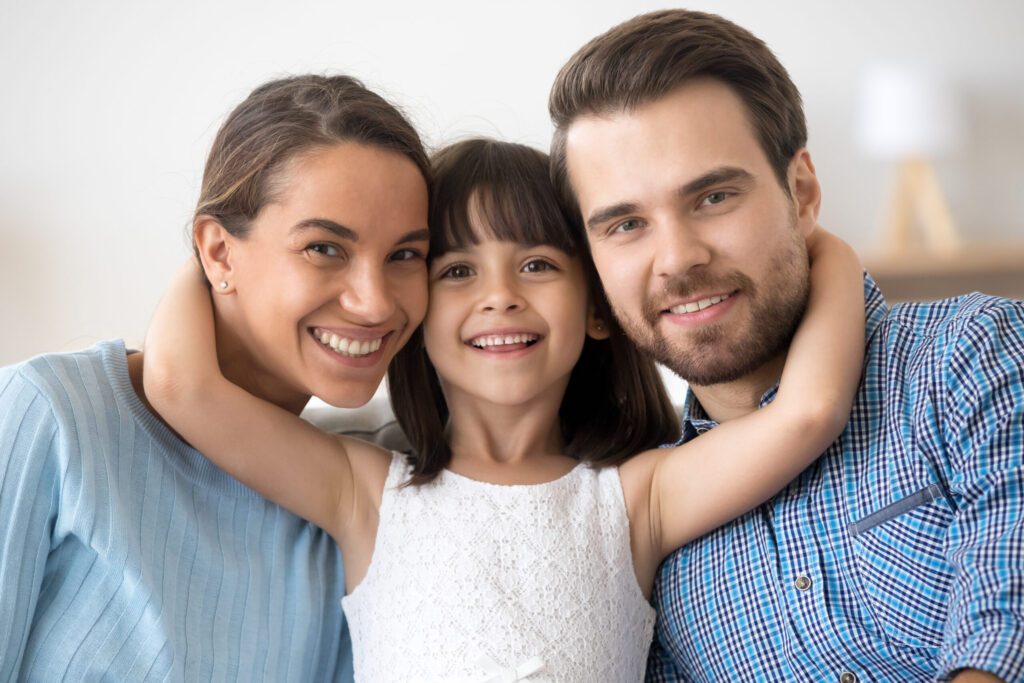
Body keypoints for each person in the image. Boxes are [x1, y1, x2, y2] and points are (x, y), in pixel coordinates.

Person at [142, 137, 865, 682]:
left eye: (538, 264)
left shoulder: (640, 497)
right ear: (415, 309)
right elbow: (182, 387)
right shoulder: (362, 491)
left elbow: (808, 412)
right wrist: (219, 252)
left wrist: (821, 244)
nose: (500, 295)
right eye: (456, 271)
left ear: (599, 309)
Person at [548, 9, 1024, 683]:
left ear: (801, 191)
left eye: (712, 197)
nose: (677, 259)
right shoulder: (647, 538)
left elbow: (1009, 617)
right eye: (626, 224)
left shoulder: (969, 355)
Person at [0, 73, 432, 681]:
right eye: (324, 248)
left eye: (404, 255)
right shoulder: (47, 415)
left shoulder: (357, 487)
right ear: (219, 252)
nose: (375, 303)